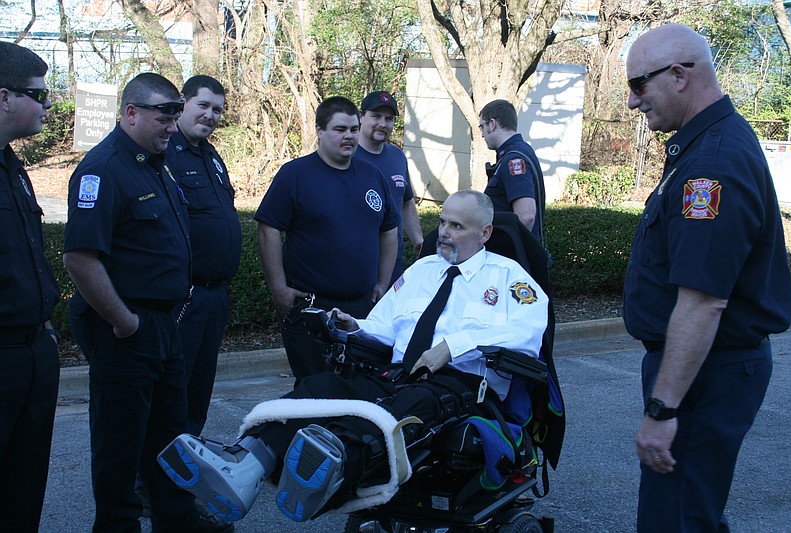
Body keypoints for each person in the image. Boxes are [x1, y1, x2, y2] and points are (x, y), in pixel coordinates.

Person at [158, 190, 548, 523]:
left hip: (459, 384)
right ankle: (246, 464)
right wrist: (351, 326)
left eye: (457, 227)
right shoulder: (424, 270)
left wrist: (452, 346)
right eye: (443, 222)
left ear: (485, 233)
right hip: (398, 371)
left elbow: (527, 334)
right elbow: (384, 326)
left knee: (407, 407)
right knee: (321, 386)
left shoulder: (508, 278)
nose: (443, 233)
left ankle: (330, 461)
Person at [623, 24, 791, 532]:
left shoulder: (712, 165)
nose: (633, 103)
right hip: (706, 369)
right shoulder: (703, 147)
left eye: (638, 86)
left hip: (704, 375)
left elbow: (703, 302)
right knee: (688, 513)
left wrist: (662, 408)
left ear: (678, 76)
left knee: (673, 521)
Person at [63, 73, 233, 533]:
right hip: (128, 327)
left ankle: (175, 519)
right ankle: (117, 526)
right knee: (121, 443)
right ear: (131, 112)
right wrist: (124, 322)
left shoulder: (153, 164)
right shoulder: (104, 168)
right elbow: (80, 257)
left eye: (176, 116)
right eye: (164, 115)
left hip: (164, 326)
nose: (172, 126)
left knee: (169, 435)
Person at [255, 96, 399, 385]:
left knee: (361, 386)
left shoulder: (373, 176)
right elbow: (267, 227)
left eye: (354, 129)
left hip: (362, 308)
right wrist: (278, 288)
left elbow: (389, 229)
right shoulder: (295, 175)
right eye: (340, 129)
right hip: (312, 309)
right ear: (319, 131)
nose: (349, 136)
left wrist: (383, 283)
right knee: (314, 390)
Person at [0, 41, 60, 533]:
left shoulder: (13, 166)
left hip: (33, 352)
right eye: (38, 95)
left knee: (23, 490)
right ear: (3, 97)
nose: (48, 105)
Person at [167, 75, 242, 436]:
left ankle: (184, 469)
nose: (211, 115)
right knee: (172, 390)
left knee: (199, 390)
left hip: (214, 296)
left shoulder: (211, 155)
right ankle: (154, 481)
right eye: (204, 105)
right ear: (183, 102)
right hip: (185, 296)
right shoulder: (165, 153)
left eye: (218, 110)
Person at [354, 90, 424, 282]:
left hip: (393, 266)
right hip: (353, 267)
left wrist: (418, 240)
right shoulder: (346, 157)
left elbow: (406, 202)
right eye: (375, 116)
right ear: (361, 117)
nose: (383, 124)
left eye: (389, 118)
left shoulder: (397, 156)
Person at [479, 99, 545, 240]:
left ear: (492, 124)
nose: (482, 135)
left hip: (510, 258)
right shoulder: (521, 151)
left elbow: (526, 216)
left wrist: (511, 250)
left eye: (482, 127)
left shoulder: (513, 160)